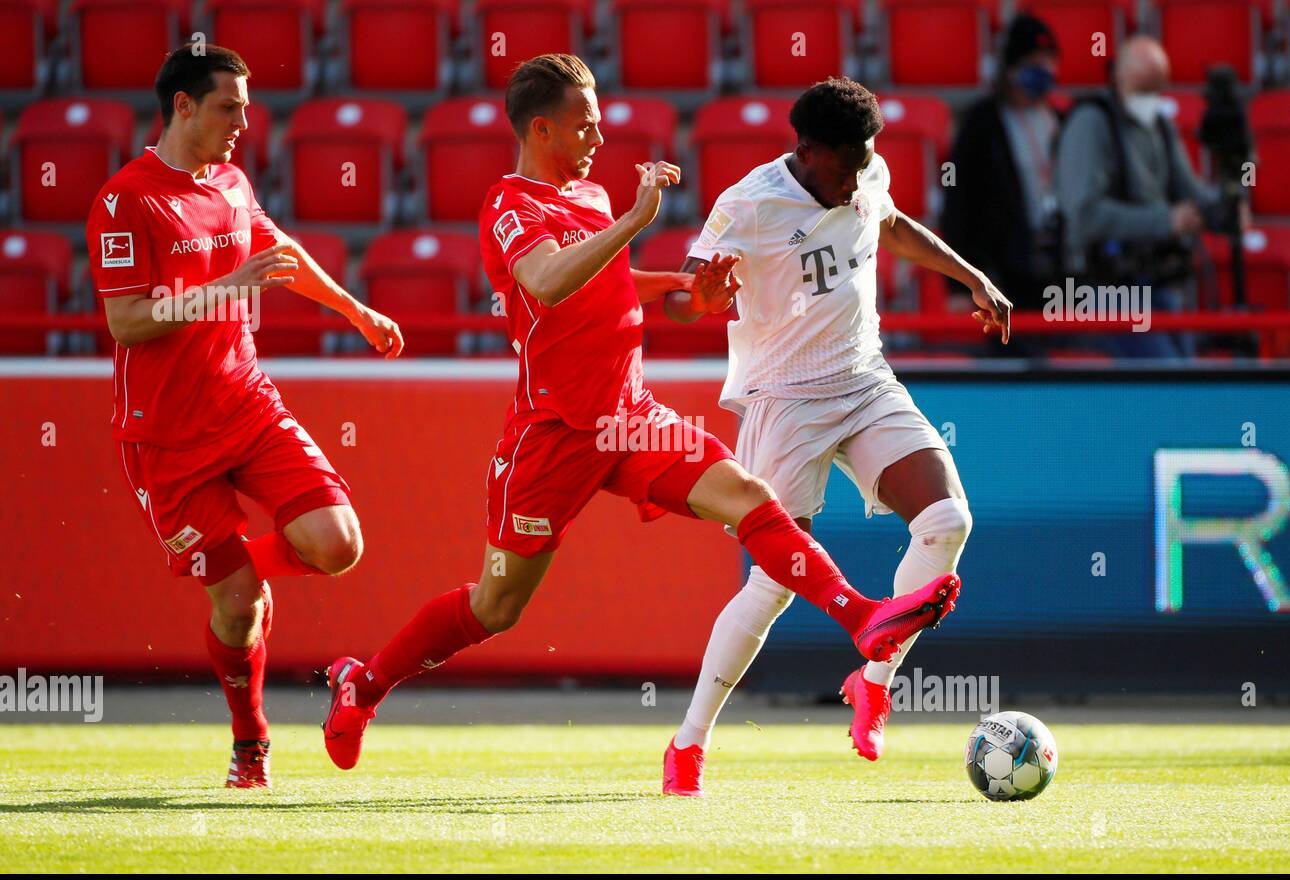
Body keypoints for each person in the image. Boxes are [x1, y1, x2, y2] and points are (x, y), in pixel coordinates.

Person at [320, 55, 961, 774]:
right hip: (552, 436)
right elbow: (548, 281)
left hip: (630, 419)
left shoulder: (589, 196)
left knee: (749, 498)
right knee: (496, 606)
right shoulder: (510, 205)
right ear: (541, 129)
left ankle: (862, 616)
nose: (599, 137)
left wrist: (695, 291)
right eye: (584, 126)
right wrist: (634, 219)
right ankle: (365, 683)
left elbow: (610, 285)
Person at [662, 77, 1012, 795]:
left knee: (948, 521)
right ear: (809, 151)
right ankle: (688, 742)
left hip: (862, 379)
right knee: (772, 586)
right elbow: (681, 295)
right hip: (783, 398)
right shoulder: (750, 203)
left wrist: (971, 275)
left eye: (867, 157)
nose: (860, 174)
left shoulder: (866, 172)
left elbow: (888, 223)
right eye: (848, 162)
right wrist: (701, 297)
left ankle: (874, 683)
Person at [86, 43, 404, 788]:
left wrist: (354, 309)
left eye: (248, 106)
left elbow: (279, 249)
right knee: (237, 613)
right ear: (184, 106)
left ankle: (228, 568)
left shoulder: (229, 181)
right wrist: (226, 286)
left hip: (246, 403)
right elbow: (128, 322)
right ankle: (251, 740)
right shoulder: (125, 200)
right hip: (165, 435)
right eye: (229, 106)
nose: (244, 121)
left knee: (338, 543)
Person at [1055, 35, 1220, 358]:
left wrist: (1223, 205)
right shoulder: (1090, 122)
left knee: (1193, 379)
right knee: (1169, 383)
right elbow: (1084, 216)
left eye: (1156, 89)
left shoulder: (1159, 123)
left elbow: (1190, 189)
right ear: (1118, 76)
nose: (1150, 99)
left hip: (1157, 282)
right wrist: (1165, 220)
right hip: (1102, 292)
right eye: (1144, 89)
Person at [941, 14, 1062, 324]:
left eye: (1049, 60)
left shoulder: (1062, 119)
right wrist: (958, 284)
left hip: (1060, 268)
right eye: (1034, 61)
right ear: (1010, 68)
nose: (1044, 69)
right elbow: (957, 204)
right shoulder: (980, 124)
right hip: (1002, 271)